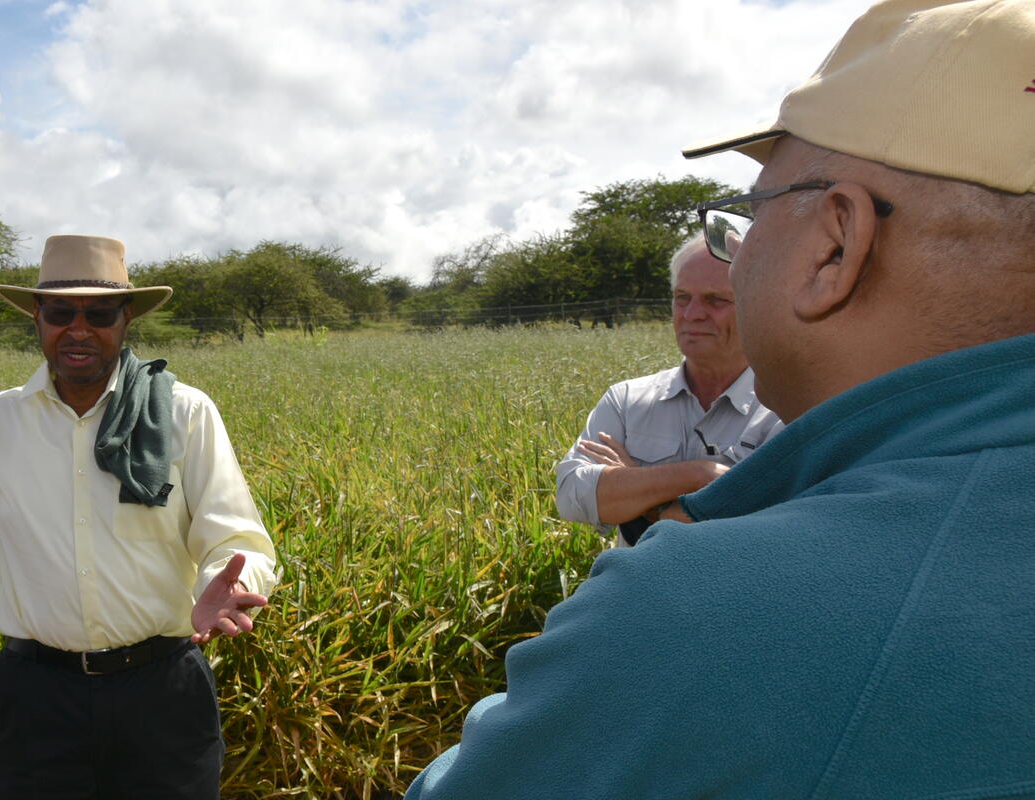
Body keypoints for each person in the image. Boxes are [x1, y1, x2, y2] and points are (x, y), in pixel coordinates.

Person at [408, 1, 1035, 797]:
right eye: (686, 294)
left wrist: (668, 492)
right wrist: (702, 481)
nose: (727, 276)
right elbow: (577, 491)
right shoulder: (636, 400)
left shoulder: (703, 618)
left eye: (745, 217)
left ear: (835, 246)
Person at [0, 234, 280, 799]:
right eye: (62, 311)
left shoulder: (185, 412)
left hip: (164, 692)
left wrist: (221, 586)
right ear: (37, 319)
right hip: (37, 699)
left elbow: (237, 542)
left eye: (101, 312)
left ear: (127, 318)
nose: (79, 329)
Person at [552, 234, 783, 545]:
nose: (691, 314)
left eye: (715, 300)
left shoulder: (784, 407)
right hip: (636, 590)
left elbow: (771, 523)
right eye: (682, 297)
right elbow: (572, 496)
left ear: (757, 306)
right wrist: (702, 474)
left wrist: (636, 487)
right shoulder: (626, 399)